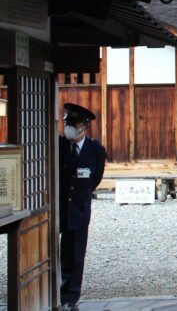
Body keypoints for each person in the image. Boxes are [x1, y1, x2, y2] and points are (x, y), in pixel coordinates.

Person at [59, 103, 107, 310]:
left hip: (78, 208)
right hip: (56, 208)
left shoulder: (96, 150)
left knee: (75, 254)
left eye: (75, 123)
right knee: (49, 252)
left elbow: (94, 179)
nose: (70, 126)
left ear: (84, 126)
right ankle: (49, 293)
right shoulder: (58, 146)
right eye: (68, 122)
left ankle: (70, 298)